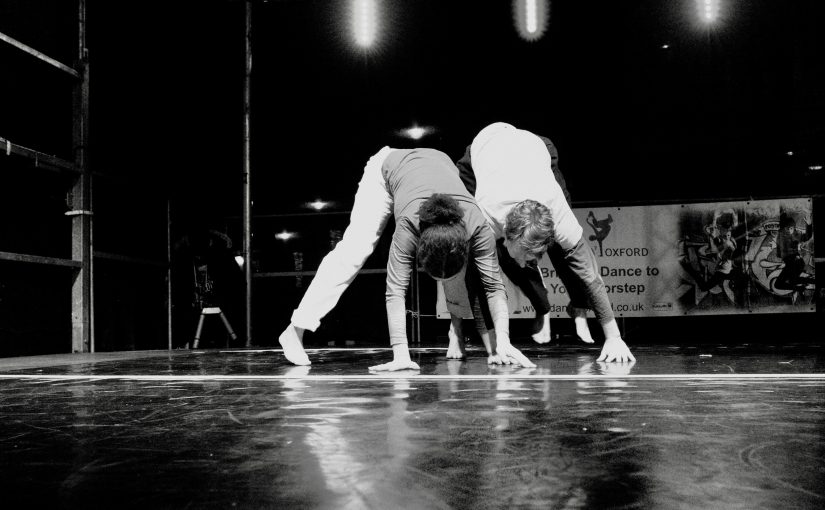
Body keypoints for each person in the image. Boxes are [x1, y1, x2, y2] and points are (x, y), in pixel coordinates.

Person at [278, 146, 535, 370]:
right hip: (387, 169)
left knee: (480, 275)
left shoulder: (477, 225)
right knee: (355, 250)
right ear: (419, 250)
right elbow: (395, 290)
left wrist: (504, 341)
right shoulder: (410, 224)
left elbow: (493, 286)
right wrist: (400, 353)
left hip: (438, 163)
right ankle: (295, 330)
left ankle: (479, 337)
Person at [454, 122, 635, 363]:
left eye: (534, 257)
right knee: (479, 262)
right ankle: (464, 332)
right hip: (482, 148)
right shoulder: (485, 217)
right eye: (526, 254)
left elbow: (591, 275)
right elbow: (479, 283)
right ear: (506, 233)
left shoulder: (560, 216)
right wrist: (496, 348)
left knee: (569, 254)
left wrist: (614, 337)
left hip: (537, 147)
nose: (528, 262)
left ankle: (578, 306)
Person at [775, 213, 815, 290]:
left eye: (792, 228)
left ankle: (804, 286)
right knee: (792, 281)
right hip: (792, 263)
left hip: (795, 263)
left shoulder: (794, 235)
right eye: (789, 228)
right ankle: (805, 285)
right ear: (785, 228)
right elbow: (780, 253)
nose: (791, 230)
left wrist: (809, 224)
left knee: (779, 284)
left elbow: (807, 236)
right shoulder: (781, 235)